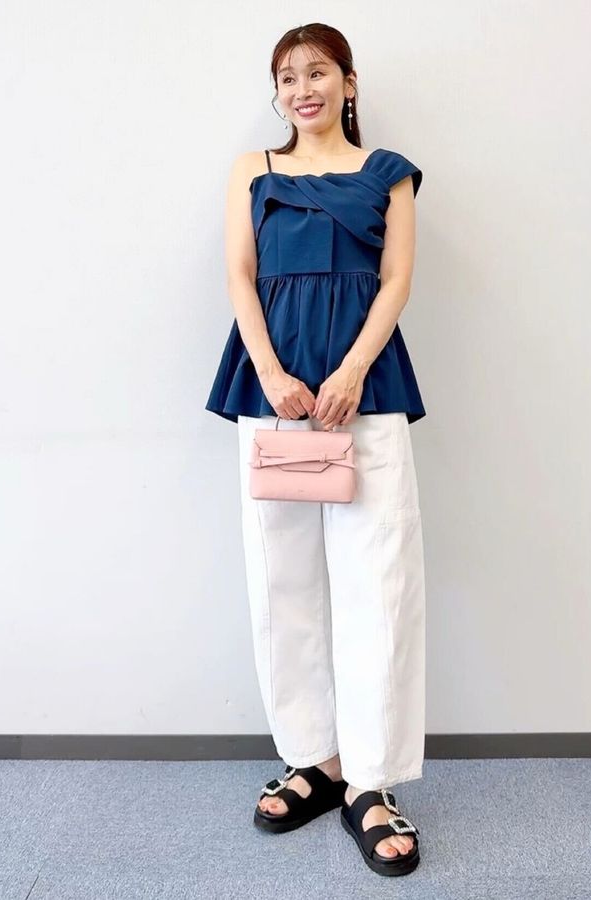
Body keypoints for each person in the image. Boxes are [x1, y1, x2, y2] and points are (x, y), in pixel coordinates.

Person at [204, 23, 427, 878]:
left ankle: (371, 781)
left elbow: (397, 281)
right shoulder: (252, 171)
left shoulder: (389, 173)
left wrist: (351, 370)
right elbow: (239, 274)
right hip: (273, 392)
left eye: (319, 72)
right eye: (288, 76)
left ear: (349, 82)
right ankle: (316, 761)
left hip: (363, 392)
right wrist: (271, 373)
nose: (303, 88)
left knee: (380, 585)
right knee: (283, 583)